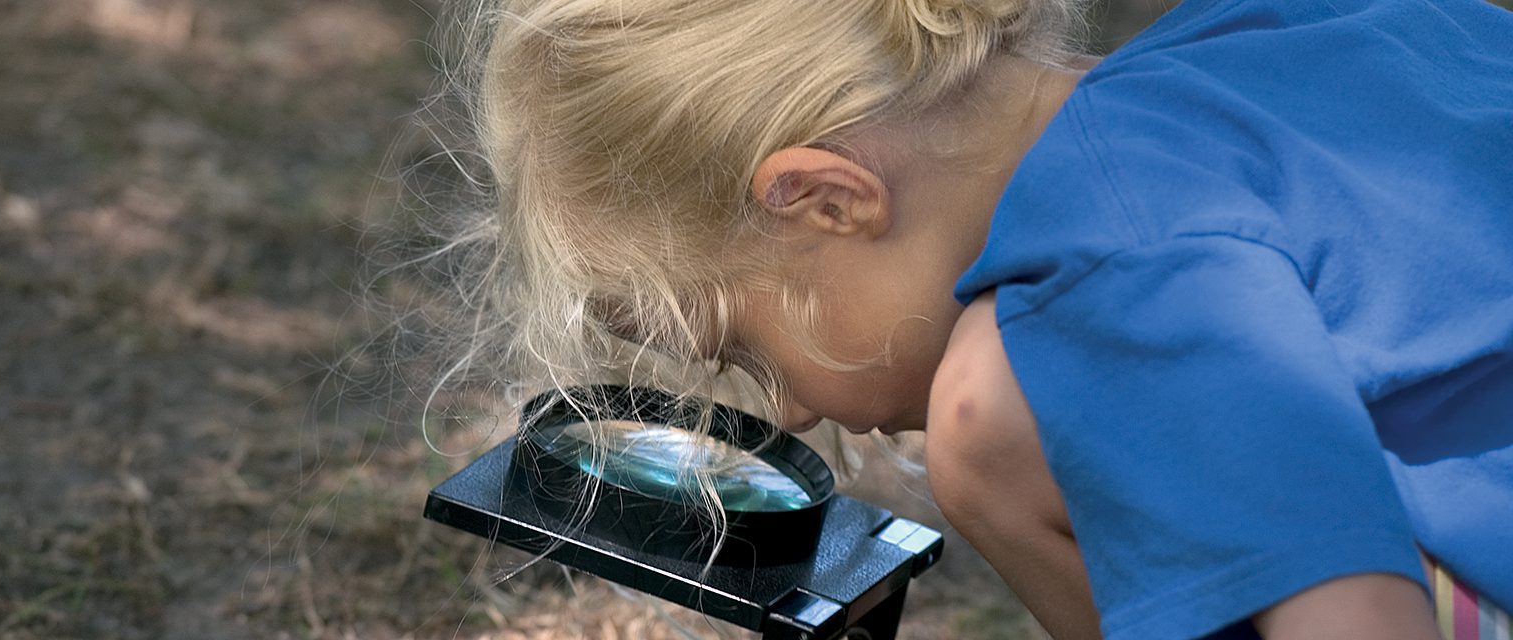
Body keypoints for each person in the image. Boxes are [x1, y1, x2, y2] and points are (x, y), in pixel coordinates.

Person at [429, 0, 1513, 637]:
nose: (796, 410)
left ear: (826, 202)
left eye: (749, 352)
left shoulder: (1097, 284)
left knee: (991, 425)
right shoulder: (1278, 25)